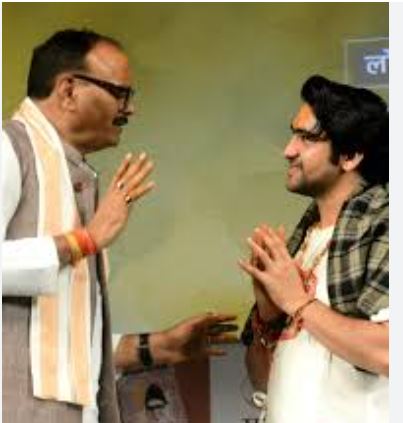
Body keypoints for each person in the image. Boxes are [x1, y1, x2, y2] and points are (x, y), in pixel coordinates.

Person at [2, 28, 237, 423]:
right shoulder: (9, 149)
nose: (130, 109)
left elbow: (64, 340)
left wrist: (159, 347)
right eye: (120, 93)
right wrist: (84, 240)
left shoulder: (71, 171)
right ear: (69, 90)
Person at [239, 75, 388, 422]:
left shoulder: (386, 225)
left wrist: (298, 302)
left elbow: (388, 354)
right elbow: (261, 379)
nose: (288, 150)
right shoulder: (301, 240)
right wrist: (267, 318)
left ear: (350, 155)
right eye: (293, 134)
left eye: (307, 138)